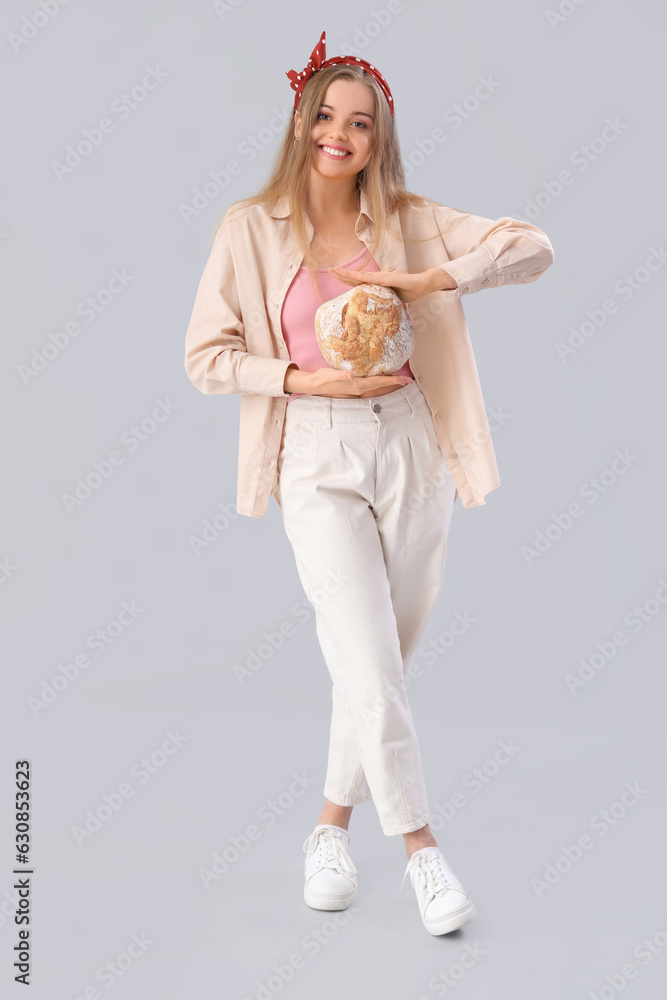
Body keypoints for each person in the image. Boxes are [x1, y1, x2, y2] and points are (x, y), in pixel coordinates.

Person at [184, 30, 554, 936]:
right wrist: (300, 380)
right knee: (365, 651)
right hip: (314, 451)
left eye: (359, 123)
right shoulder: (249, 228)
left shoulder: (412, 220)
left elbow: (534, 246)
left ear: (378, 137)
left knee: (379, 660)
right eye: (325, 117)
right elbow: (206, 356)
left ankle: (328, 827)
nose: (338, 135)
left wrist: (438, 275)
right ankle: (424, 853)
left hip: (411, 445)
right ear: (300, 122)